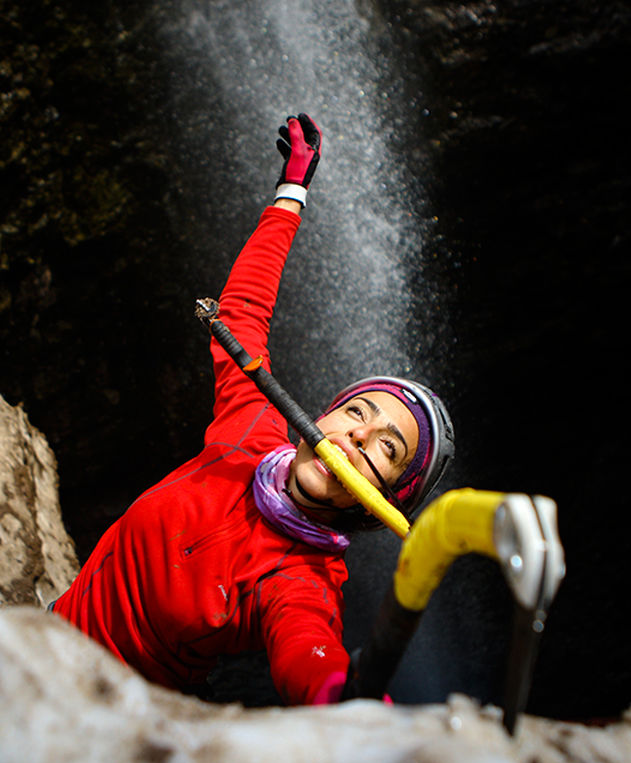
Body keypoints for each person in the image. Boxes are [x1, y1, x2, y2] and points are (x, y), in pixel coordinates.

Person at [50, 113, 454, 705]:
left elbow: (309, 655)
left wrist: (353, 708)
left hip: (105, 722)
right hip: (38, 646)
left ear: (388, 499)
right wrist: (291, 190)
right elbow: (241, 314)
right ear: (325, 415)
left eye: (388, 449)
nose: (361, 436)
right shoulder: (256, 429)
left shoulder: (301, 578)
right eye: (358, 413)